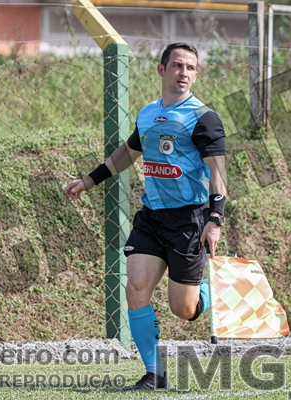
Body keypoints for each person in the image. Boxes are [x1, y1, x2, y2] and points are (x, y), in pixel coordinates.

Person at [64, 42, 227, 391]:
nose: (184, 73)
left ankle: (213, 290)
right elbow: (129, 152)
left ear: (196, 75)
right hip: (151, 218)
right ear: (162, 69)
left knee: (183, 309)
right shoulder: (148, 114)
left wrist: (215, 218)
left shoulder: (203, 117)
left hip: (189, 221)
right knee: (135, 289)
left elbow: (218, 171)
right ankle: (155, 374)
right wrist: (89, 180)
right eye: (178, 65)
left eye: (191, 68)